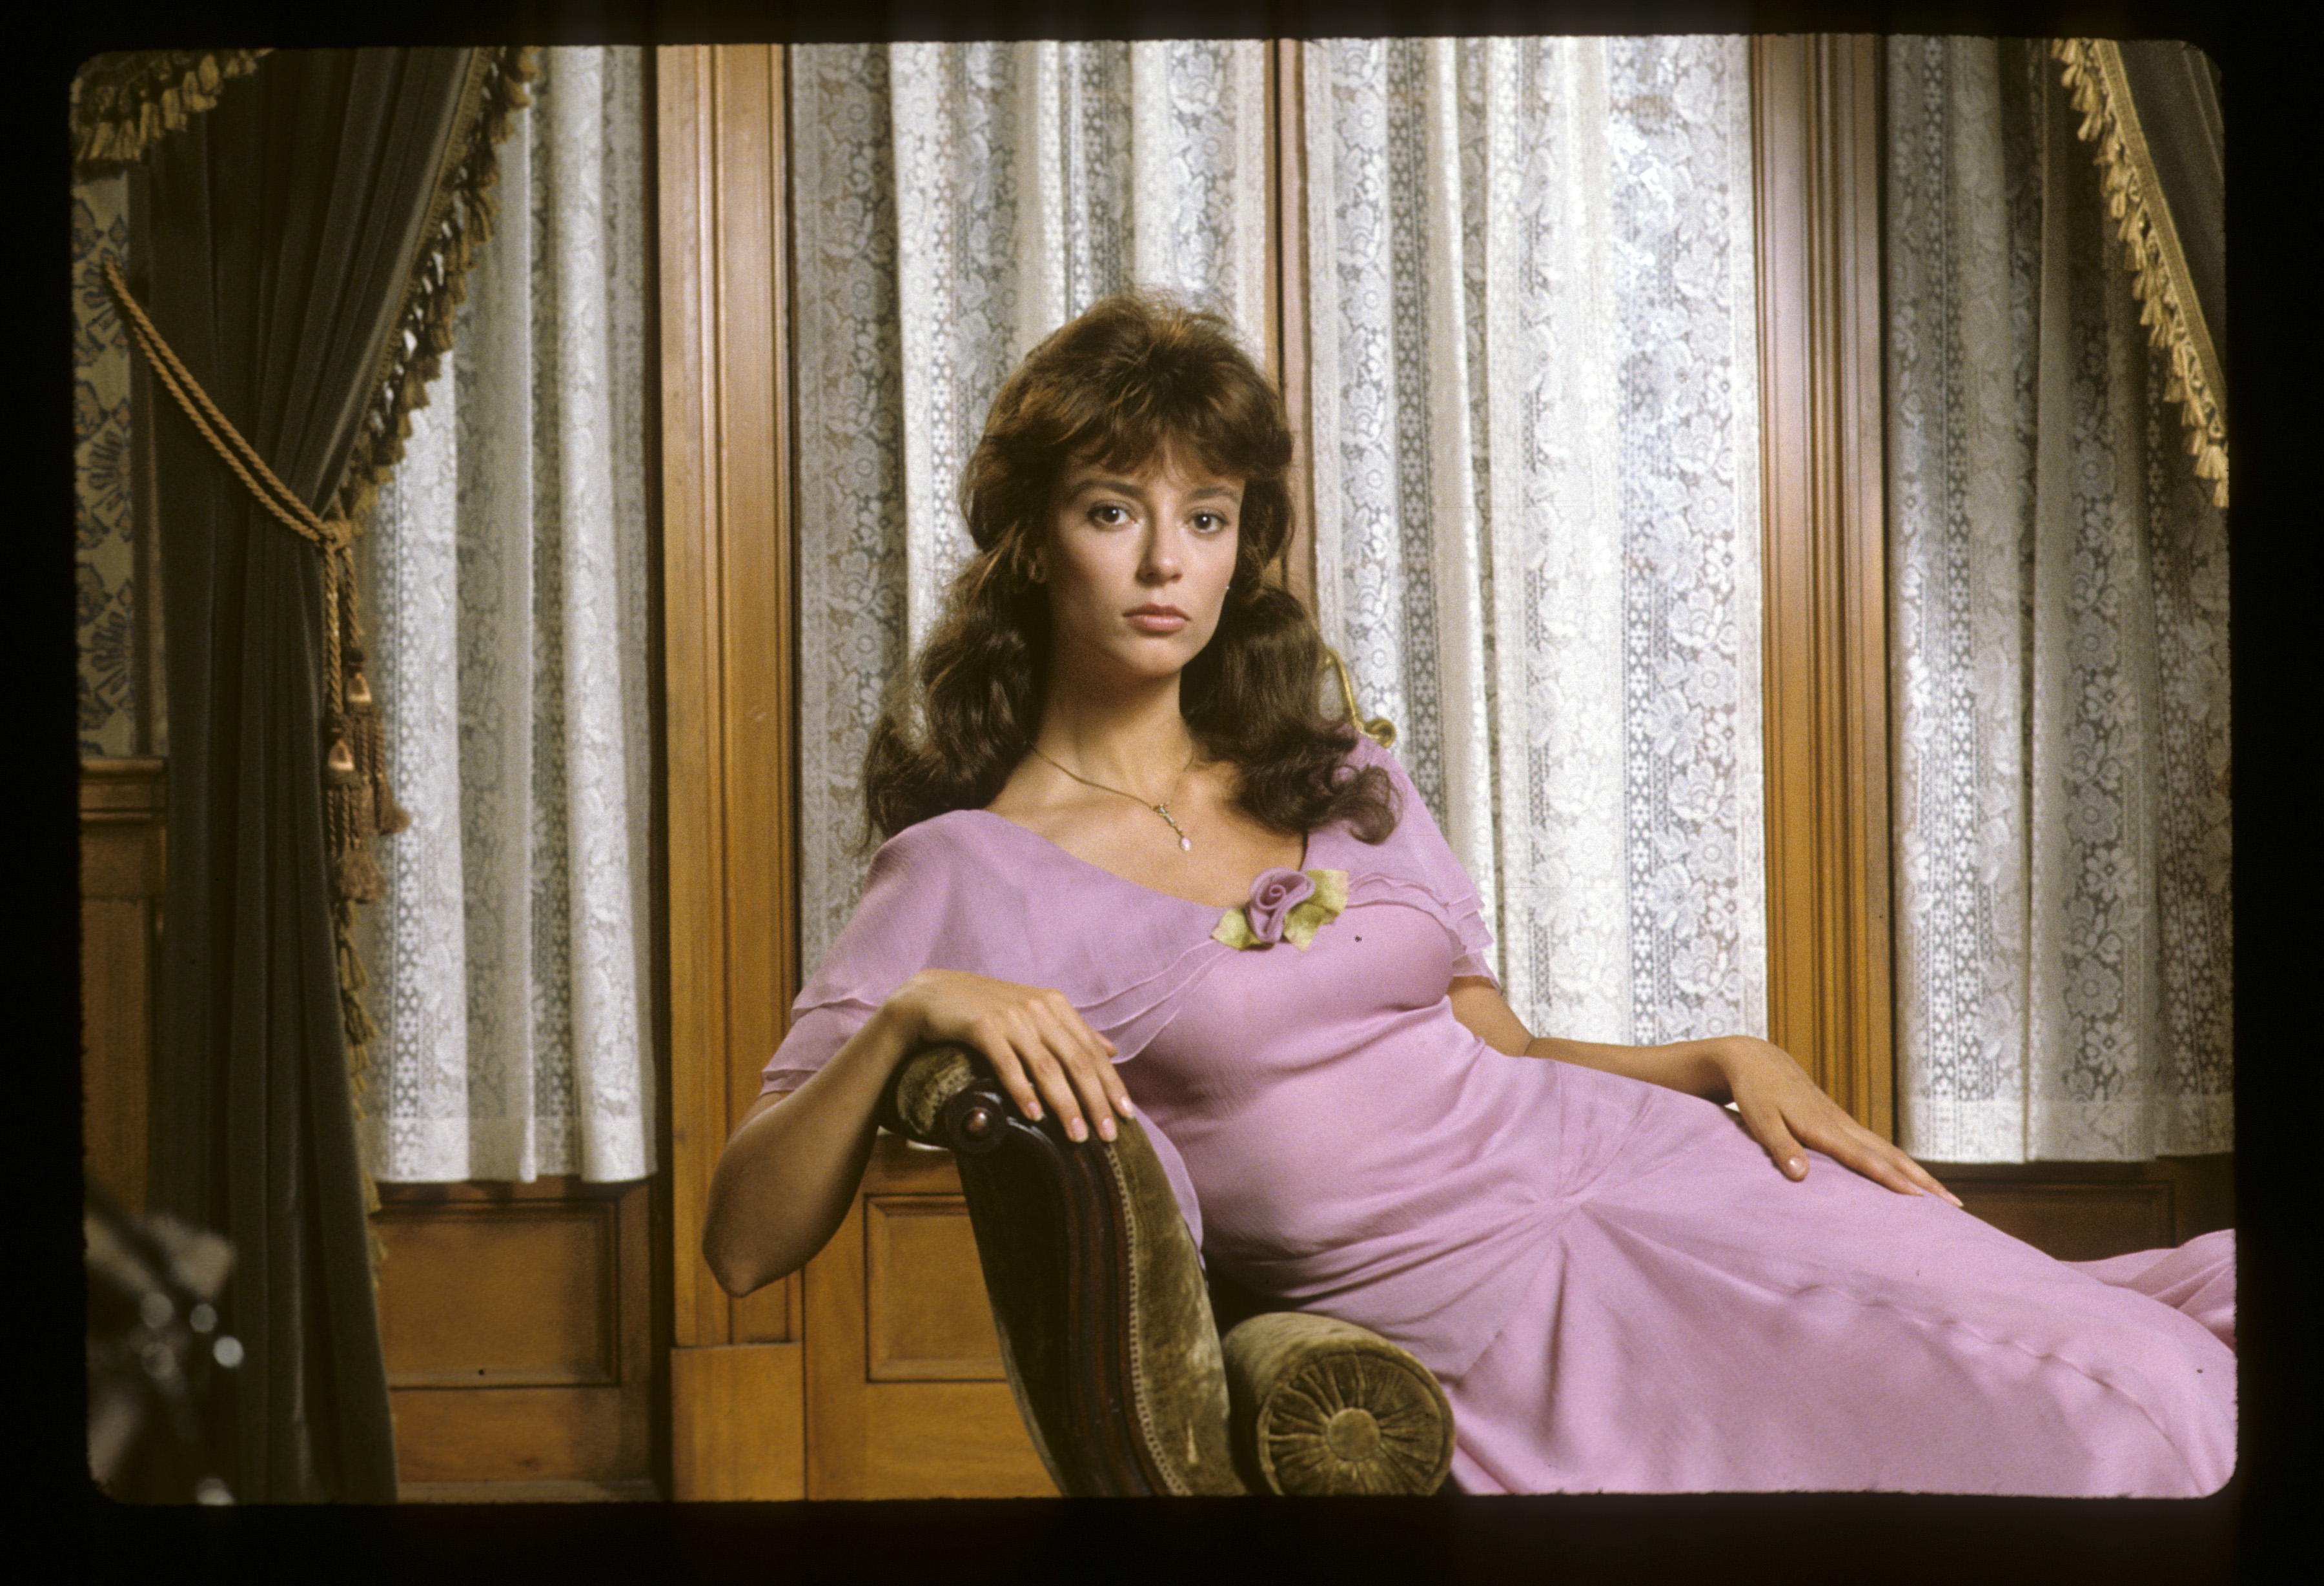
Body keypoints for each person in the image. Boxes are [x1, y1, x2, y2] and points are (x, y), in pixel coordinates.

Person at [702, 290, 2235, 1496]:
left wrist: (1712, 1058)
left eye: (1211, 514)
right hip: (1512, 1307)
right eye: (1114, 509)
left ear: (1248, 541)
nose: (1167, 560)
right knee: (2118, 1425)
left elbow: (1492, 1051)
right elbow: (743, 1237)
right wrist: (911, 1011)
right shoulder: (969, 869)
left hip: (1640, 1165)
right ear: (1036, 541)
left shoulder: (1333, 773)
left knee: (2180, 1340)